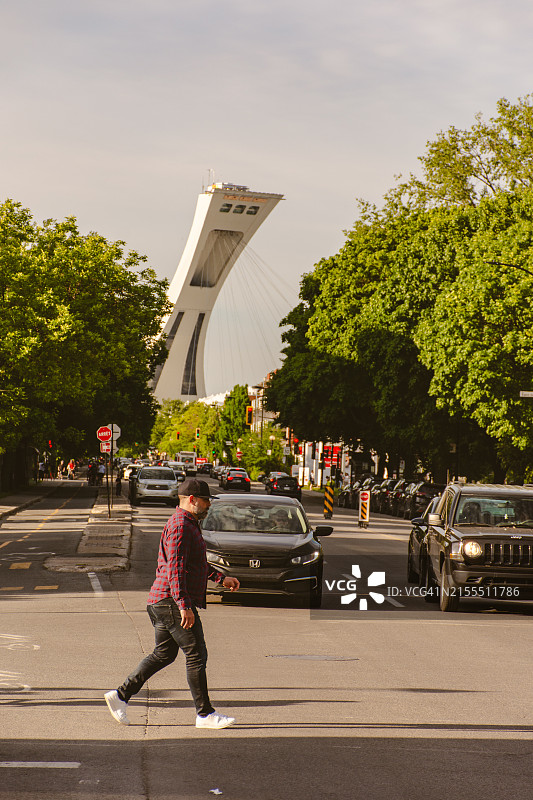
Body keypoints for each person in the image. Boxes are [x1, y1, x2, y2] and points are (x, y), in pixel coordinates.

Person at [104, 478, 240, 729]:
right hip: (170, 600)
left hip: (163, 600)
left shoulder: (188, 523)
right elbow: (175, 568)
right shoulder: (180, 525)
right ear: (192, 500)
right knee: (196, 653)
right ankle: (205, 714)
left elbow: (194, 564)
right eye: (206, 500)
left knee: (163, 654)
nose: (209, 505)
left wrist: (221, 578)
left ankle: (120, 696)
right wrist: (183, 604)